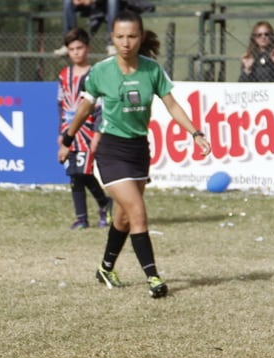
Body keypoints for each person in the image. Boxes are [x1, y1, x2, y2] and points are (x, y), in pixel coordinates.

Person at [62, 10, 212, 298]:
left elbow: (172, 106)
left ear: (141, 37)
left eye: (132, 36)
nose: (126, 42)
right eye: (120, 36)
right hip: (110, 150)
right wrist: (67, 139)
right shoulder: (101, 71)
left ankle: (105, 268)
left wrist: (195, 133)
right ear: (112, 38)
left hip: (139, 150)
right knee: (138, 213)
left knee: (124, 218)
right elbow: (84, 109)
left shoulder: (152, 70)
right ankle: (153, 277)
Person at [57, 28, 112, 230]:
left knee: (85, 171)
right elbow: (61, 106)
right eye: (72, 49)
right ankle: (82, 217)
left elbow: (100, 107)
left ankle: (104, 203)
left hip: (88, 131)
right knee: (74, 173)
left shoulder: (95, 74)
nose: (76, 52)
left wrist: (97, 133)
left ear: (87, 48)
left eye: (79, 48)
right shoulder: (64, 76)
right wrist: (61, 134)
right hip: (70, 132)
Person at [53, 0, 154, 56]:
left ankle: (111, 44)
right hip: (90, 5)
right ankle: (70, 42)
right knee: (67, 1)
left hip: (109, 3)